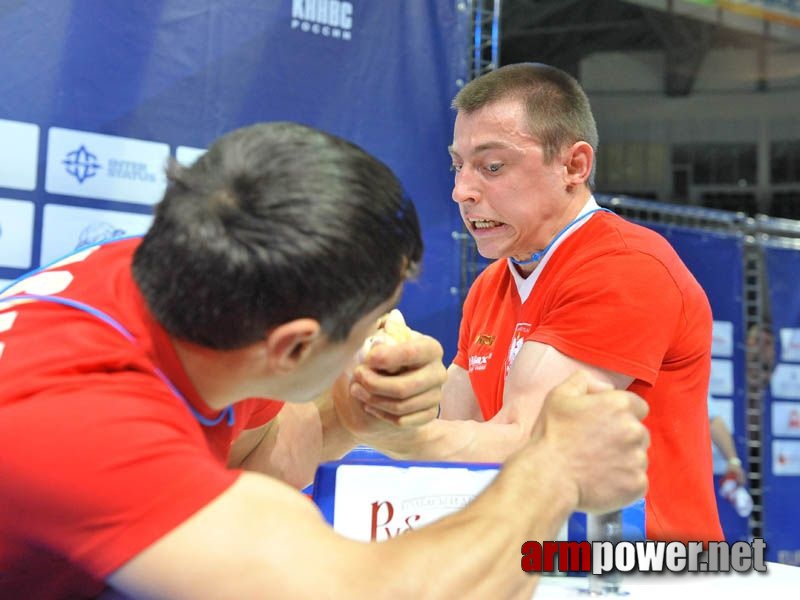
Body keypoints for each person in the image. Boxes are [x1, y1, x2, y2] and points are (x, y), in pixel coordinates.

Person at [0, 122, 649, 599]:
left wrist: (344, 410)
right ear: (295, 346)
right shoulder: (75, 424)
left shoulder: (173, 283)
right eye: (371, 327)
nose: (388, 340)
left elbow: (261, 442)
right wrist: (555, 469)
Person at [351, 63, 722, 543]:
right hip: (544, 561)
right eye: (457, 165)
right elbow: (456, 431)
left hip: (653, 571)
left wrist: (375, 432)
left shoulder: (627, 265)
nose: (461, 190)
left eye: (492, 166)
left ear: (574, 166)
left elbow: (532, 440)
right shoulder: (492, 285)